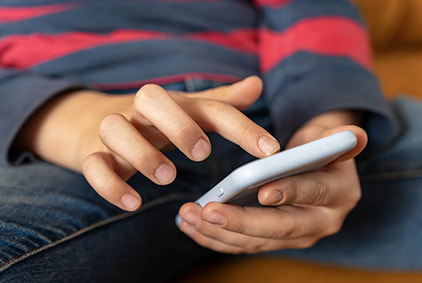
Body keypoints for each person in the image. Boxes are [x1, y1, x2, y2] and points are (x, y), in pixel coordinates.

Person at [0, 0, 421, 281]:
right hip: (65, 149)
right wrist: (75, 121)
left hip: (276, 124)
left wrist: (323, 125)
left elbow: (312, 8)